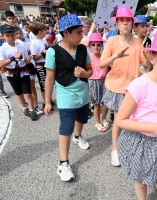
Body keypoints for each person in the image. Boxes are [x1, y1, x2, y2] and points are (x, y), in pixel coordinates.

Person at [116, 31, 157, 200]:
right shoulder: (139, 85)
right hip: (141, 142)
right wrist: (153, 127)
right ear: (151, 57)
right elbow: (120, 120)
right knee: (141, 181)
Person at [99, 6, 150, 167]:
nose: (125, 23)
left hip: (132, 89)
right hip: (115, 86)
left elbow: (146, 65)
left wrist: (150, 58)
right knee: (119, 121)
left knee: (130, 120)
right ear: (117, 23)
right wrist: (116, 55)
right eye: (122, 20)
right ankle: (115, 150)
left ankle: (127, 147)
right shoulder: (112, 41)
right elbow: (101, 64)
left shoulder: (137, 44)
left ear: (132, 23)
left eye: (128, 20)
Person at [44, 14, 93, 181]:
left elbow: (90, 70)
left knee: (82, 119)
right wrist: (47, 102)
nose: (82, 35)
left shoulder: (82, 49)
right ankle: (63, 163)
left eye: (82, 32)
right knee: (66, 129)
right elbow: (49, 78)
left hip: (83, 94)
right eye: (79, 32)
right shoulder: (53, 51)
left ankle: (78, 137)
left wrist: (84, 73)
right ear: (66, 32)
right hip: (65, 96)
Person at [0, 24, 37, 120]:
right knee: (18, 92)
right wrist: (13, 58)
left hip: (23, 70)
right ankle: (24, 108)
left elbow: (25, 57)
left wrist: (28, 59)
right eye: (7, 35)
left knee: (28, 92)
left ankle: (32, 110)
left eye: (12, 35)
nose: (10, 37)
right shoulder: (2, 49)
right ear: (3, 36)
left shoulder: (21, 47)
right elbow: (1, 64)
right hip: (11, 72)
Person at [29, 21, 55, 112]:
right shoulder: (34, 42)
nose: (46, 31)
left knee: (49, 83)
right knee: (44, 85)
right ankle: (46, 102)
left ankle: (48, 99)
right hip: (40, 66)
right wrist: (43, 53)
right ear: (40, 31)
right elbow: (34, 57)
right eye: (45, 30)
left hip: (47, 64)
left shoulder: (43, 40)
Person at [88, 33, 110, 132]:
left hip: (104, 81)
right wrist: (88, 89)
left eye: (98, 44)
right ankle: (97, 122)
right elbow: (86, 73)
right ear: (90, 45)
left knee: (106, 103)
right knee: (96, 104)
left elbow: (110, 69)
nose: (96, 47)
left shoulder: (105, 57)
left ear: (101, 45)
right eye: (93, 44)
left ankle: (104, 118)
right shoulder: (88, 58)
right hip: (93, 82)